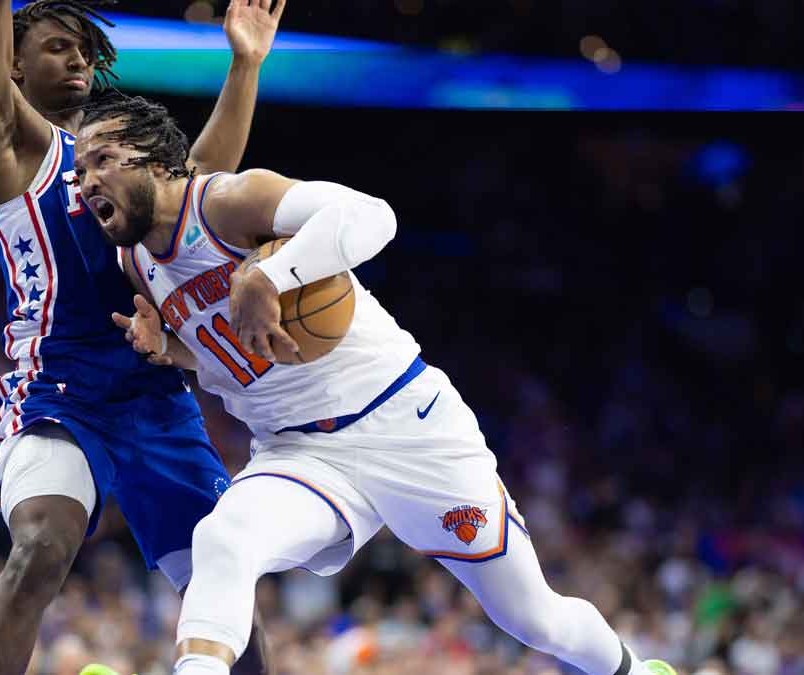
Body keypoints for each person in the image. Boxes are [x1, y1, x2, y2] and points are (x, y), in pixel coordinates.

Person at [72, 93, 679, 675]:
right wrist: (167, 350)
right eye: (80, 172)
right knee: (225, 538)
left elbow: (371, 216)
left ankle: (632, 670)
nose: (88, 181)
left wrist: (273, 275)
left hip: (404, 423)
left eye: (102, 159)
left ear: (153, 158)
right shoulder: (137, 267)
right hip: (303, 452)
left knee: (532, 617)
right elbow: (227, 360)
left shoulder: (228, 201)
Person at [0, 2, 285, 674]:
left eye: (83, 49)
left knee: (224, 597)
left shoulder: (116, 160)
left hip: (156, 394)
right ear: (13, 64)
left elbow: (199, 185)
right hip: (61, 392)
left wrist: (245, 65)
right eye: (55, 47)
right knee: (43, 545)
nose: (76, 58)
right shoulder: (14, 148)